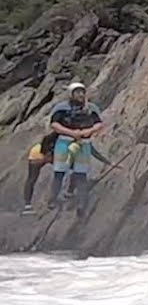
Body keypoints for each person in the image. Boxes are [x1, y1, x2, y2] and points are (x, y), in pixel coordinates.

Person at [47, 81, 105, 216]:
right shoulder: (62, 108)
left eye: (82, 92)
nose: (80, 95)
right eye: (77, 92)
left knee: (81, 174)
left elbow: (98, 124)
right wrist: (71, 133)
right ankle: (53, 199)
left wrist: (88, 131)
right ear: (71, 94)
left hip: (83, 144)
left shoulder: (90, 108)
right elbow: (55, 124)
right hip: (64, 143)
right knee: (59, 172)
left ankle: (81, 204)